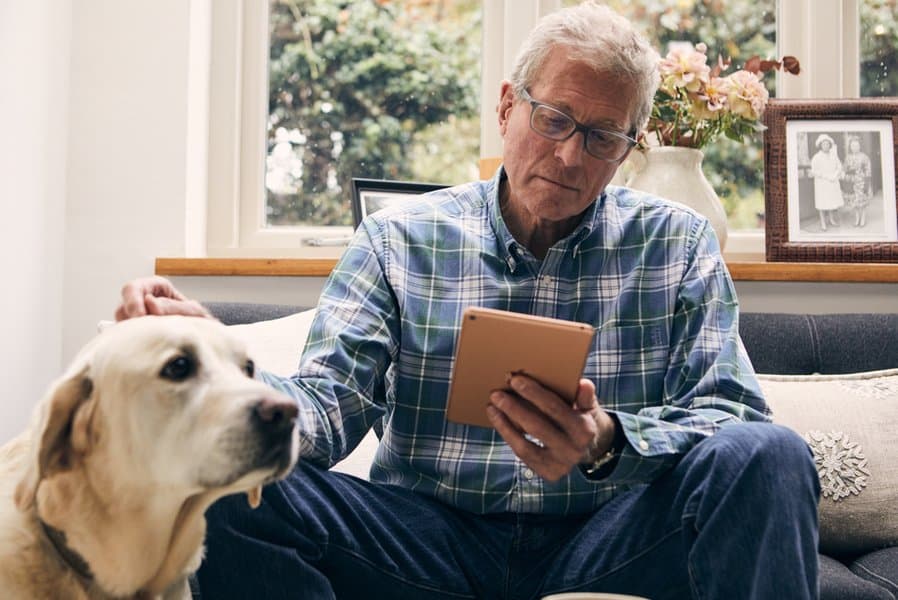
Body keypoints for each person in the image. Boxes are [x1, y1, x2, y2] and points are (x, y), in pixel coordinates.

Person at [116, 3, 820, 598]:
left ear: (631, 146)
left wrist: (607, 443)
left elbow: (731, 415)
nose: (572, 157)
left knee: (771, 451)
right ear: (509, 106)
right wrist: (220, 360)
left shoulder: (678, 243)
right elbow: (326, 414)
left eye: (602, 137)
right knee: (231, 487)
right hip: (426, 539)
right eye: (555, 120)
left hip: (606, 533)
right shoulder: (398, 240)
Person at [810, 134, 844, 232]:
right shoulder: (816, 157)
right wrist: (826, 176)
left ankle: (832, 219)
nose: (826, 146)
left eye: (828, 144)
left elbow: (839, 166)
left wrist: (834, 175)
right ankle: (823, 222)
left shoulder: (834, 155)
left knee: (831, 202)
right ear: (821, 145)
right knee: (822, 202)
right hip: (822, 182)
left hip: (832, 181)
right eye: (824, 144)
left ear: (830, 145)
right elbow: (814, 171)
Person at [842, 135, 873, 228]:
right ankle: (857, 218)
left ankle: (863, 217)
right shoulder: (848, 157)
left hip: (862, 181)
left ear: (860, 146)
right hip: (852, 181)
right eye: (852, 146)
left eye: (856, 145)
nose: (854, 147)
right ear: (850, 147)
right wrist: (846, 175)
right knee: (854, 201)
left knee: (862, 200)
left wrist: (867, 182)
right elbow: (844, 169)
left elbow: (868, 171)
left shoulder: (864, 157)